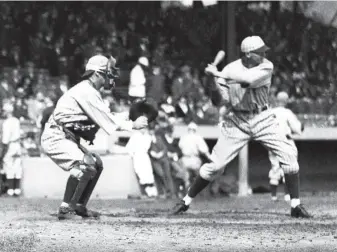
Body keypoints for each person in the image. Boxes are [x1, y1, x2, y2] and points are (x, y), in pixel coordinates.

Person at [171, 36, 311, 218]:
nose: (264, 54)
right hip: (237, 120)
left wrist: (219, 74)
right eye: (260, 52)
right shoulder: (230, 69)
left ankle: (295, 206)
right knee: (215, 166)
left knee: (289, 156)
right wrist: (212, 80)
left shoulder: (266, 66)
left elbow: (248, 80)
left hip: (263, 118)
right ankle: (185, 202)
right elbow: (220, 101)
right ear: (248, 54)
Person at [41, 55, 148, 220]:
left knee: (96, 163)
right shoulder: (87, 91)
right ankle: (65, 209)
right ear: (96, 74)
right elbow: (107, 121)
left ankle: (79, 206)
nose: (110, 77)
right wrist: (132, 124)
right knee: (87, 164)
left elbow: (105, 115)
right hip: (55, 136)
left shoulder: (90, 91)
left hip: (65, 136)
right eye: (106, 73)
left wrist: (129, 115)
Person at [268, 91, 304, 202]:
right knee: (289, 168)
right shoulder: (287, 112)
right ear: (286, 101)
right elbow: (297, 128)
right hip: (285, 142)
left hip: (272, 142)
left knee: (275, 167)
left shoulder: (270, 112)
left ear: (277, 100)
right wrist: (301, 127)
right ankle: (287, 196)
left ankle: (273, 196)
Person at [126, 126, 158, 198]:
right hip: (137, 157)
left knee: (148, 173)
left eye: (145, 128)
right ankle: (144, 192)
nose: (143, 130)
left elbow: (152, 145)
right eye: (142, 128)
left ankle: (150, 192)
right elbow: (129, 147)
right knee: (140, 173)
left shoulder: (148, 137)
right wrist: (132, 155)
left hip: (145, 157)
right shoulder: (135, 136)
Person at [0, 101, 23, 197]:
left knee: (8, 165)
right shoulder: (16, 120)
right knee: (17, 166)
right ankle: (16, 189)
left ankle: (10, 190)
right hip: (17, 144)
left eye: (4, 111)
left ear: (8, 112)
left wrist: (3, 151)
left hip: (10, 145)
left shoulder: (7, 123)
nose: (3, 113)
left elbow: (5, 139)